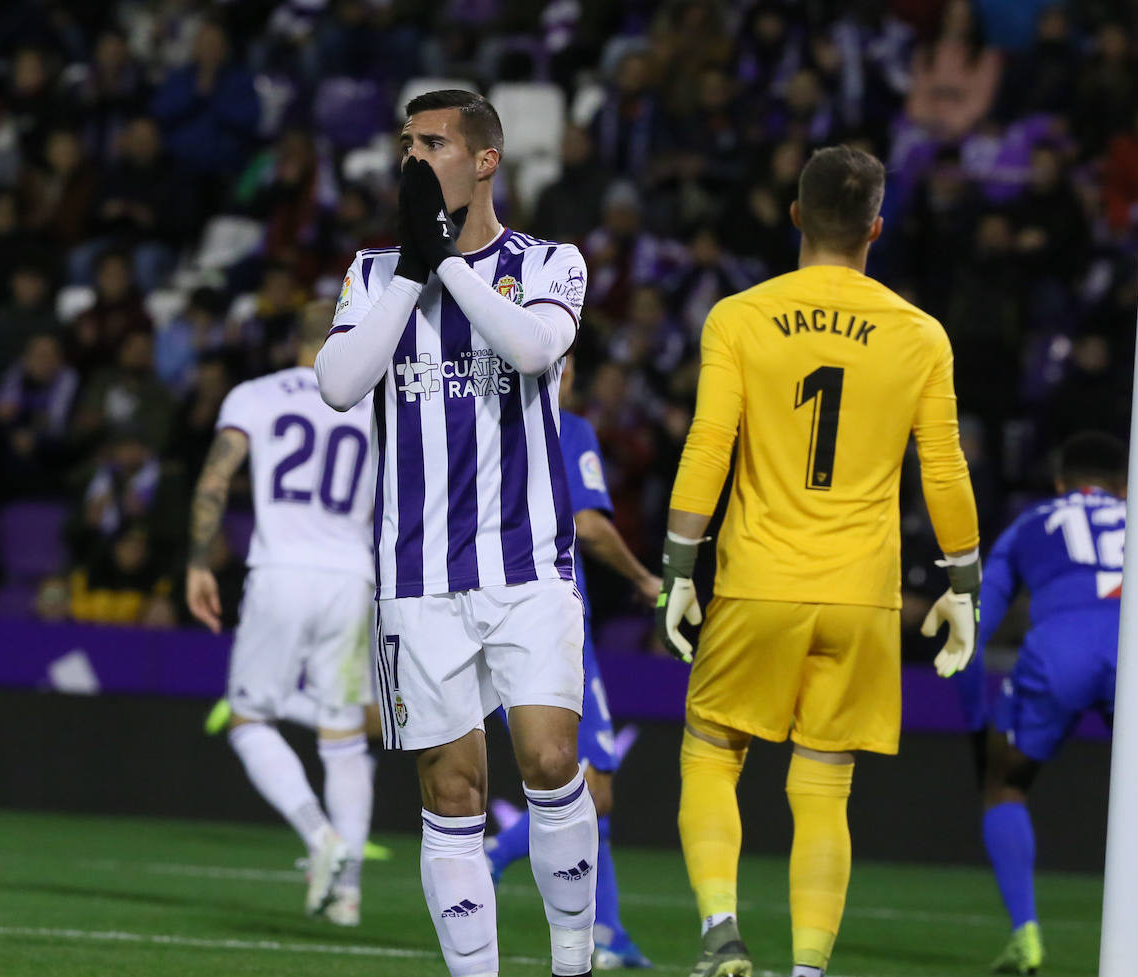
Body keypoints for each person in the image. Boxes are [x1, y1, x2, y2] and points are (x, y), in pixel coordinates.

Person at [657, 145, 982, 977]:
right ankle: (808, 968)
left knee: (710, 752)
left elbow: (710, 444)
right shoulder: (920, 333)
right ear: (878, 226)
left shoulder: (740, 316)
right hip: (862, 595)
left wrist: (678, 565)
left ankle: (722, 932)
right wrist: (962, 585)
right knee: (826, 788)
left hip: (760, 578)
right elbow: (943, 467)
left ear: (796, 216)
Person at [314, 90, 598, 977]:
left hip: (528, 562)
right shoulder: (372, 273)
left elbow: (531, 351)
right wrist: (412, 268)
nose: (413, 157)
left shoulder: (551, 260)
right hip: (417, 576)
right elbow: (337, 382)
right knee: (453, 789)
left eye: (432, 142)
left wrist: (449, 263)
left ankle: (571, 960)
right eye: (407, 143)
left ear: (484, 161)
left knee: (551, 758)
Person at [953, 432, 1138, 976]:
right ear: (1126, 488)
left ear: (1060, 483)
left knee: (1005, 783)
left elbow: (974, 634)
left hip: (1059, 652)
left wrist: (974, 725)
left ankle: (1026, 938)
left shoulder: (1031, 523)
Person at [185, 300, 376, 927]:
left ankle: (319, 836)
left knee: (247, 718)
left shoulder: (256, 394)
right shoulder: (376, 399)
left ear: (291, 338)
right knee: (345, 739)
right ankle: (347, 894)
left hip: (280, 574)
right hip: (353, 578)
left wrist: (196, 563)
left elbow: (216, 480)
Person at [485, 357, 660, 970]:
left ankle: (606, 931)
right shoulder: (568, 427)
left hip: (479, 611)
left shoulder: (481, 418)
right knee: (593, 786)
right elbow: (586, 523)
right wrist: (643, 577)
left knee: (572, 782)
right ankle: (493, 858)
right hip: (551, 619)